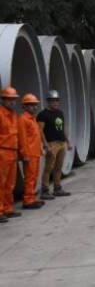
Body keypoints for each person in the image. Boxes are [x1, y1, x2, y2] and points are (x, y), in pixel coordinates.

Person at [38, 90, 72, 199]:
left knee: (58, 167)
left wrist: (68, 142)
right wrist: (46, 145)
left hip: (61, 143)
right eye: (53, 101)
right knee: (49, 168)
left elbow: (63, 129)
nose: (55, 103)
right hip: (51, 143)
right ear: (48, 101)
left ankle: (57, 188)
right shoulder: (43, 115)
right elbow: (40, 131)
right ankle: (45, 190)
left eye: (57, 100)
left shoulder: (60, 113)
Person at [18, 94, 48, 209]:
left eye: (35, 105)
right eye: (31, 105)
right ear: (24, 107)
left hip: (35, 153)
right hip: (29, 154)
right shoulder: (23, 119)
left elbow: (35, 136)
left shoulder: (32, 119)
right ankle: (27, 201)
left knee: (34, 177)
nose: (34, 107)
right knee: (30, 178)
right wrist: (25, 154)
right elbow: (23, 139)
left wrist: (41, 148)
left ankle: (32, 198)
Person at [0, 87, 23, 223]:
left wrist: (19, 151)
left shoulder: (14, 115)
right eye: (9, 99)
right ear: (2, 100)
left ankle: (8, 209)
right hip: (2, 151)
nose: (12, 102)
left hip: (12, 152)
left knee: (10, 183)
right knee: (1, 183)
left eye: (13, 100)